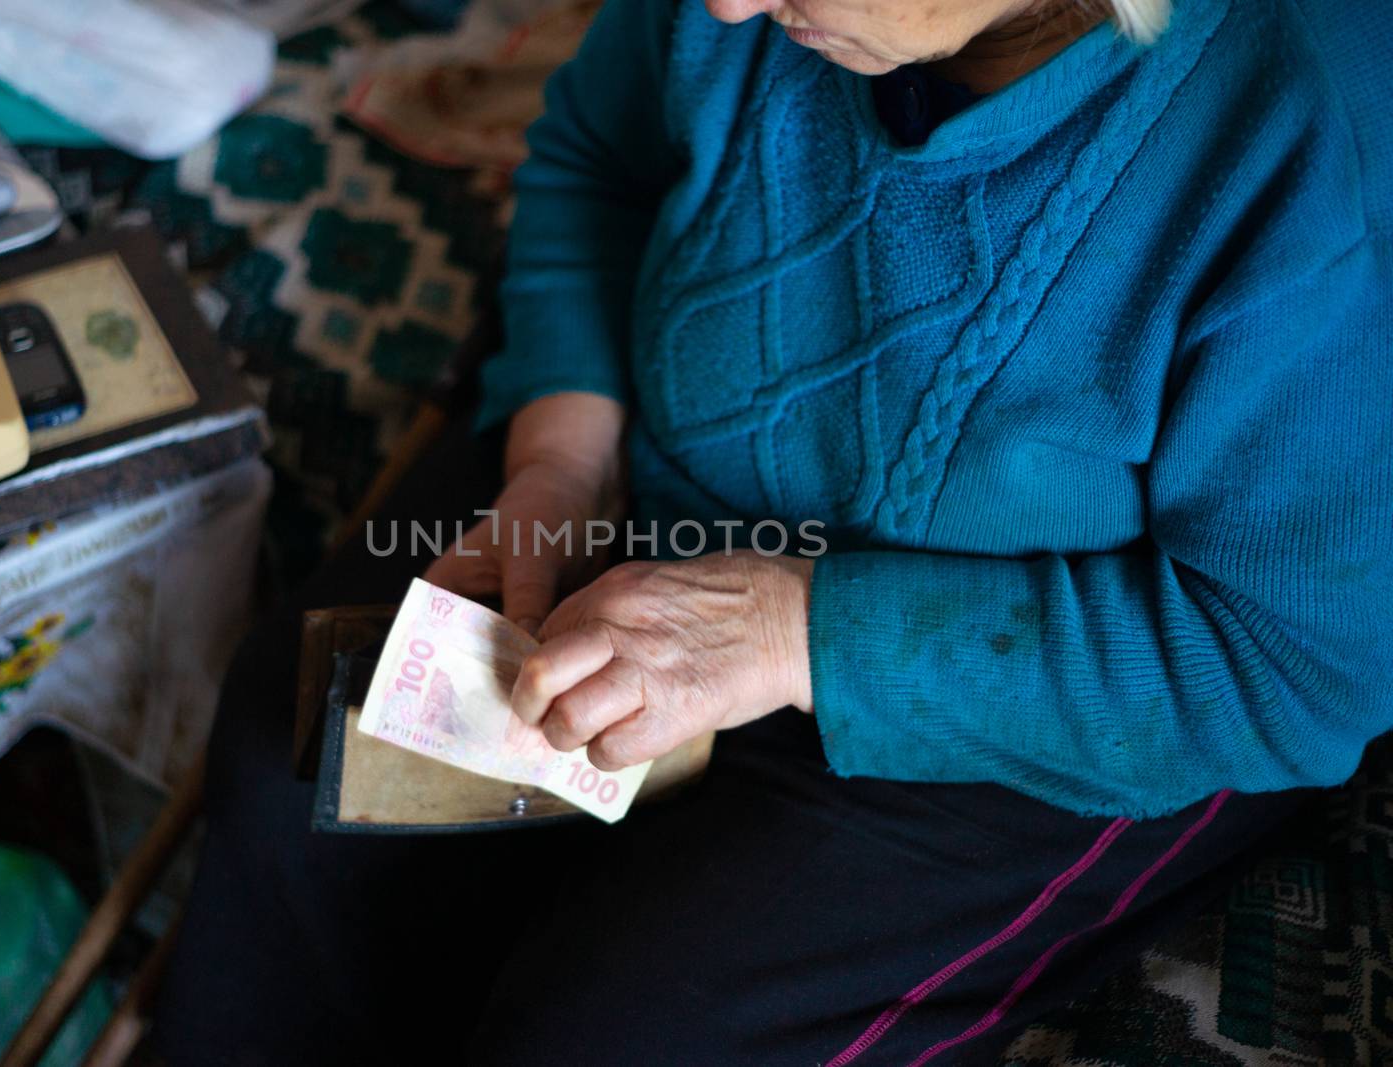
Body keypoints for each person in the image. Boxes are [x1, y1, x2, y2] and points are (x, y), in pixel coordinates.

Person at [155, 0, 1393, 1062]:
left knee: (628, 1031)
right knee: (301, 736)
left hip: (1043, 687)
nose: (728, 10)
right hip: (646, 474)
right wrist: (558, 463)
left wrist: (792, 630)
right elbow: (598, 154)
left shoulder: (1305, 137)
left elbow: (1292, 659)